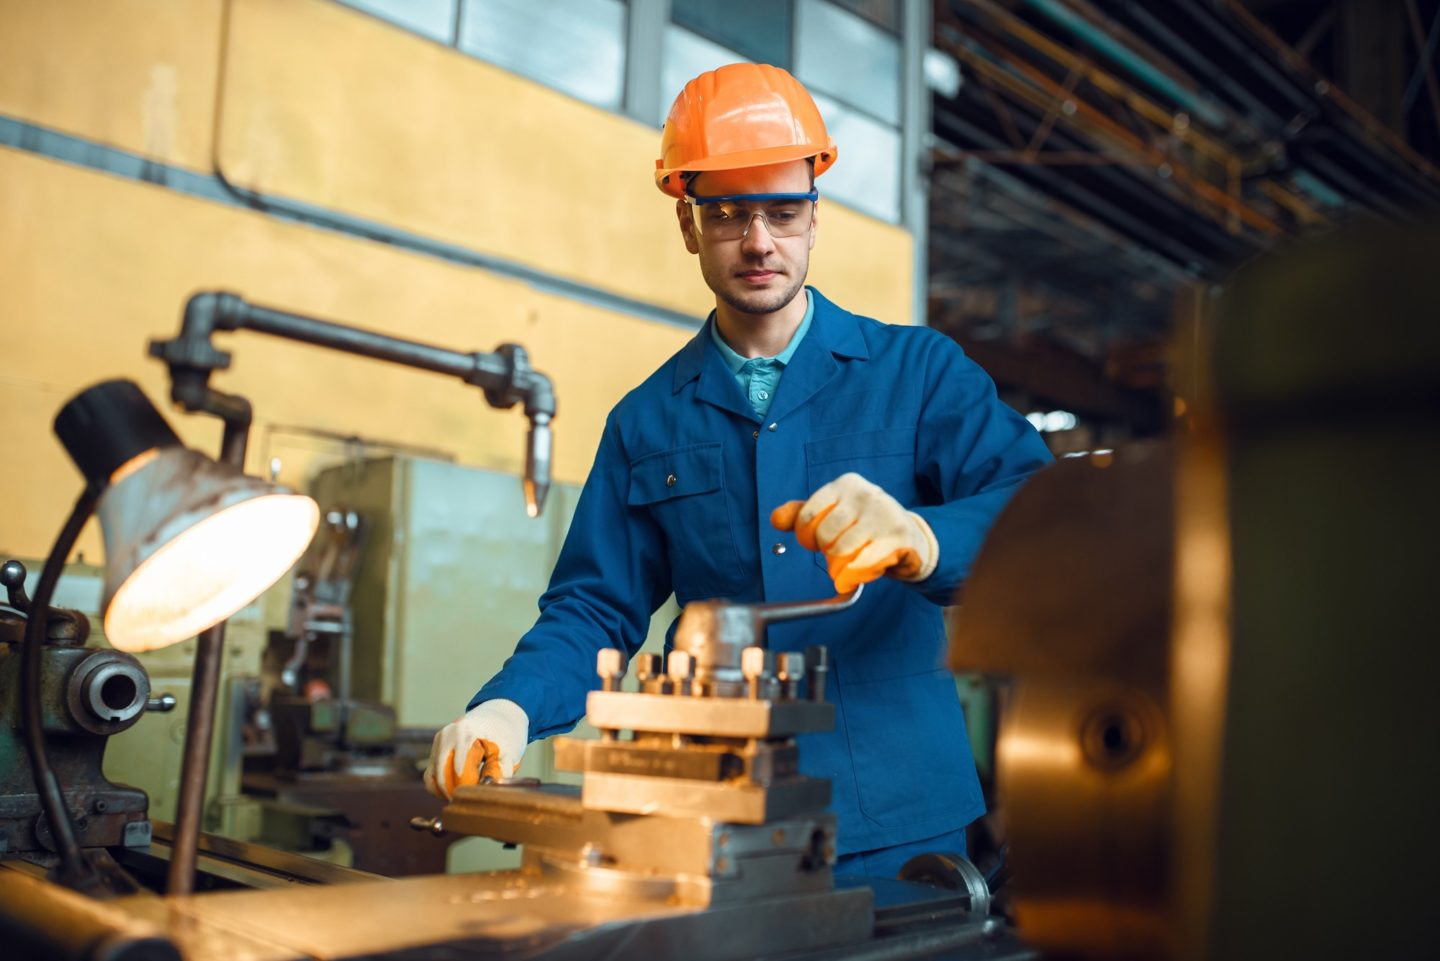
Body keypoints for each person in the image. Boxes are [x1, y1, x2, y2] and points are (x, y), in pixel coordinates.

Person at [424, 63, 1052, 878]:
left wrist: (926, 536)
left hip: (899, 825)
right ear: (689, 225)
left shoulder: (920, 373)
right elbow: (593, 608)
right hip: (714, 826)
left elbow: (1041, 513)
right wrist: (508, 708)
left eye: (783, 211)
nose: (759, 240)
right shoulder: (646, 422)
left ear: (815, 218)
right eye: (727, 212)